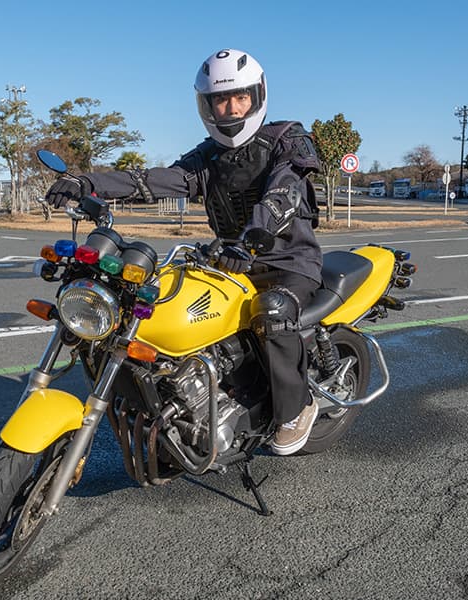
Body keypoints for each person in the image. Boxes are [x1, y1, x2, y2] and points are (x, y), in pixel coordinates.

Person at [45, 49, 323, 456]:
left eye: (239, 98)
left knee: (274, 313)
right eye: (220, 100)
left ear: (257, 96)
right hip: (229, 260)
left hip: (287, 262)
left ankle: (295, 409)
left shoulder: (287, 139)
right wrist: (87, 182)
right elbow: (153, 180)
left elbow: (283, 193)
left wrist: (251, 237)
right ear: (206, 105)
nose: (230, 108)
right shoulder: (207, 157)